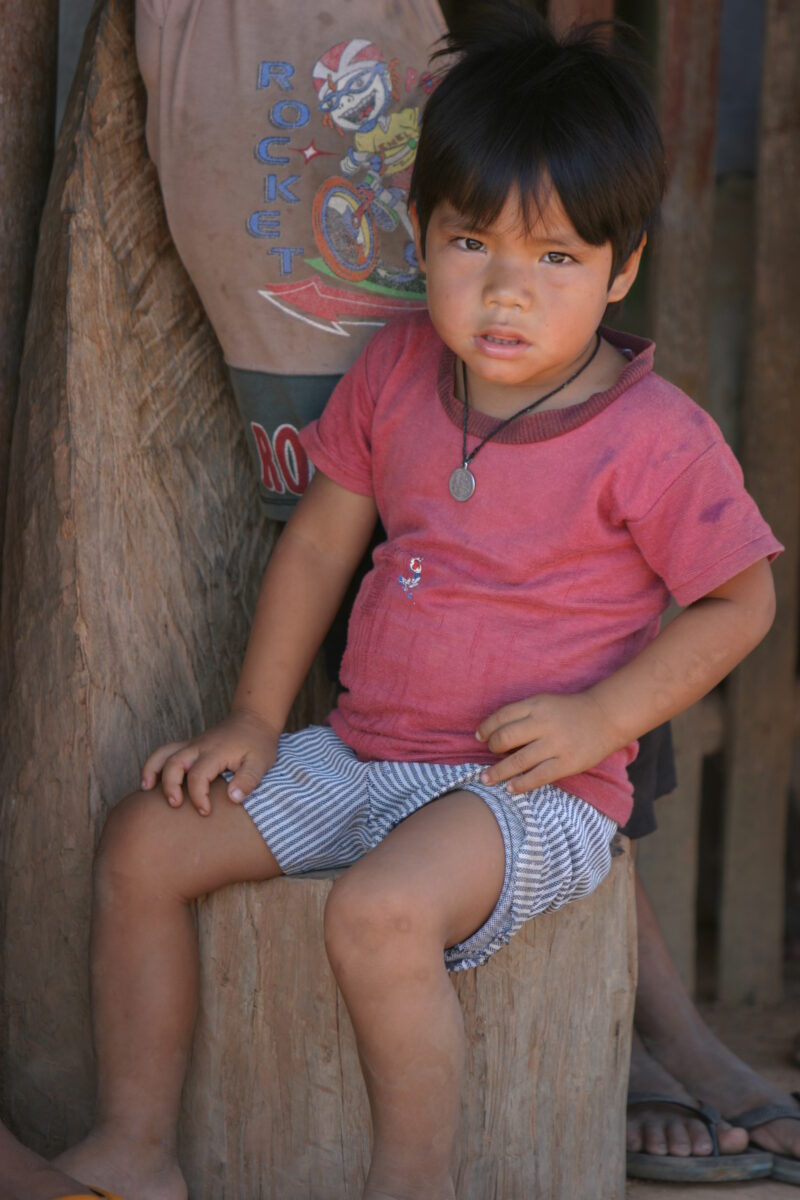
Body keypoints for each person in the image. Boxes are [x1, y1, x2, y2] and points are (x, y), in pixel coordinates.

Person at [49, 8, 784, 1198]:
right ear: (420, 236)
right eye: (469, 245)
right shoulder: (395, 370)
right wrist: (250, 717)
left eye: (554, 260)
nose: (504, 295)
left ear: (622, 265)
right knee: (143, 846)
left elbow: (738, 604)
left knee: (381, 913)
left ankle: (413, 1184)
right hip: (360, 755)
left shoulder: (656, 440)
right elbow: (319, 547)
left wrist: (600, 719)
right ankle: (133, 1151)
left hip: (526, 793)